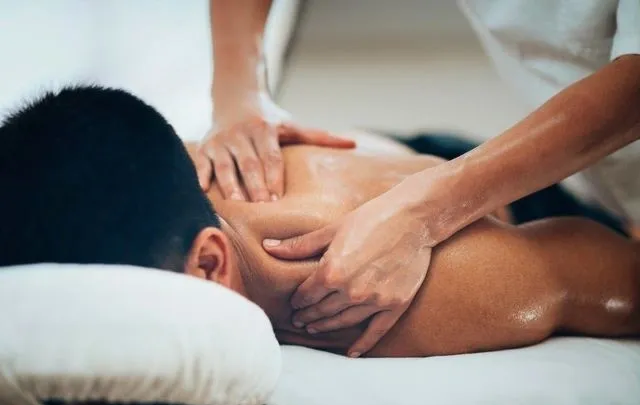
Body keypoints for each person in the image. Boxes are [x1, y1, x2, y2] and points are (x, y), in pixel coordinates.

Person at [2, 86, 637, 359]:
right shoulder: (153, 180)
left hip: (517, 199)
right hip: (373, 148)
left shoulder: (439, 297)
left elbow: (613, 277)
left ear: (211, 265)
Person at [202, 0, 640, 357]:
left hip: (493, 200)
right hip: (434, 161)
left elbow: (623, 282)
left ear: (209, 264)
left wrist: (427, 211)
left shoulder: (451, 286)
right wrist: (239, 92)